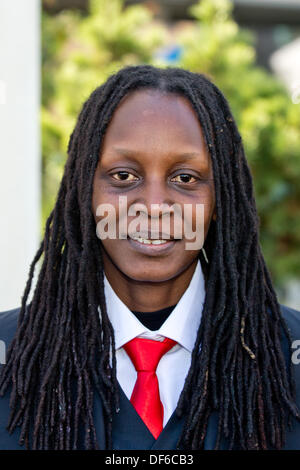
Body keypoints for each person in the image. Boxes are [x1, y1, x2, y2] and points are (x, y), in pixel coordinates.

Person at [0, 65, 300, 451]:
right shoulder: (11, 355)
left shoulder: (288, 356)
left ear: (220, 199)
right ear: (83, 191)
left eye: (185, 178)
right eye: (123, 176)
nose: (155, 206)